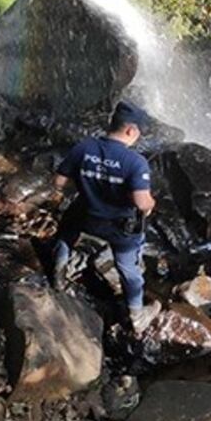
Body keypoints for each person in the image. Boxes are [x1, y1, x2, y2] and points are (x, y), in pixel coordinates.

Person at [51, 101, 160, 332]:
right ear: (131, 130)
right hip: (119, 227)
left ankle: (58, 277)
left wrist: (87, 187)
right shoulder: (136, 162)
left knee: (65, 231)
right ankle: (137, 316)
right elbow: (142, 203)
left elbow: (59, 182)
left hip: (87, 216)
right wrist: (151, 203)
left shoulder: (84, 147)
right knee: (128, 267)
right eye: (139, 132)